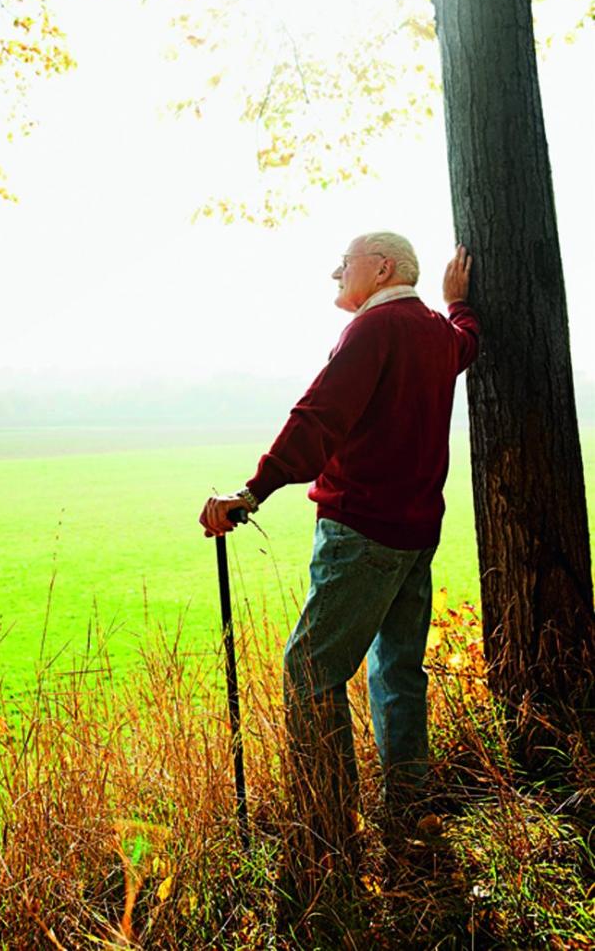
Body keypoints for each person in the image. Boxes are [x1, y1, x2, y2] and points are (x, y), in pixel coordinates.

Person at [198, 232, 479, 843]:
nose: (334, 274)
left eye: (343, 264)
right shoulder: (436, 332)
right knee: (398, 670)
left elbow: (319, 416)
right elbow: (467, 344)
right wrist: (457, 302)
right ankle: (411, 814)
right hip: (415, 536)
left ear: (381, 269)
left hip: (363, 534)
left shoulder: (373, 331)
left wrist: (252, 492)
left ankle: (327, 827)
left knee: (310, 667)